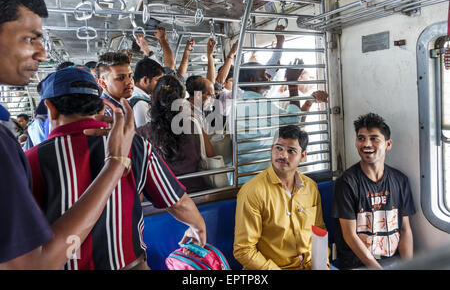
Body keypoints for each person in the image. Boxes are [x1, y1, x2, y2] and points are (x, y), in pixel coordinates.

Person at [0, 0, 136, 269]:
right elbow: (31, 265)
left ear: (50, 108)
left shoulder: (32, 155)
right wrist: (116, 162)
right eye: (30, 37)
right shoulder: (130, 145)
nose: (41, 52)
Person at [25, 67, 207, 269]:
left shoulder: (30, 161)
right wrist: (197, 226)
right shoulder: (134, 145)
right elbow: (177, 202)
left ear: (51, 108)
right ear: (100, 106)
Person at [233, 125, 327, 270]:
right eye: (278, 148)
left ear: (302, 156)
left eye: (291, 151)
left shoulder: (311, 188)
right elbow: (244, 250)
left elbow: (319, 231)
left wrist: (322, 266)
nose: (283, 155)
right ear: (271, 149)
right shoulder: (253, 191)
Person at [331, 113, 416, 270]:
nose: (366, 144)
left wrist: (409, 266)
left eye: (374, 138)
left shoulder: (400, 180)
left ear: (388, 144)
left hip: (393, 260)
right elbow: (349, 235)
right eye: (361, 138)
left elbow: (405, 229)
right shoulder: (346, 183)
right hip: (358, 264)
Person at [137, 75, 210, 194]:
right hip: (196, 192)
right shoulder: (193, 125)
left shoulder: (140, 134)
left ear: (153, 99)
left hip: (160, 198)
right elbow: (207, 155)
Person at [96, 51, 134, 116]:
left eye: (130, 76)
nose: (129, 82)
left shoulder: (124, 104)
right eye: (121, 78)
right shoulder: (105, 112)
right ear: (103, 83)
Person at [130, 56, 164, 127]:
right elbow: (146, 136)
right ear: (145, 80)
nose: (160, 85)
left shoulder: (134, 95)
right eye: (157, 81)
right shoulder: (141, 104)